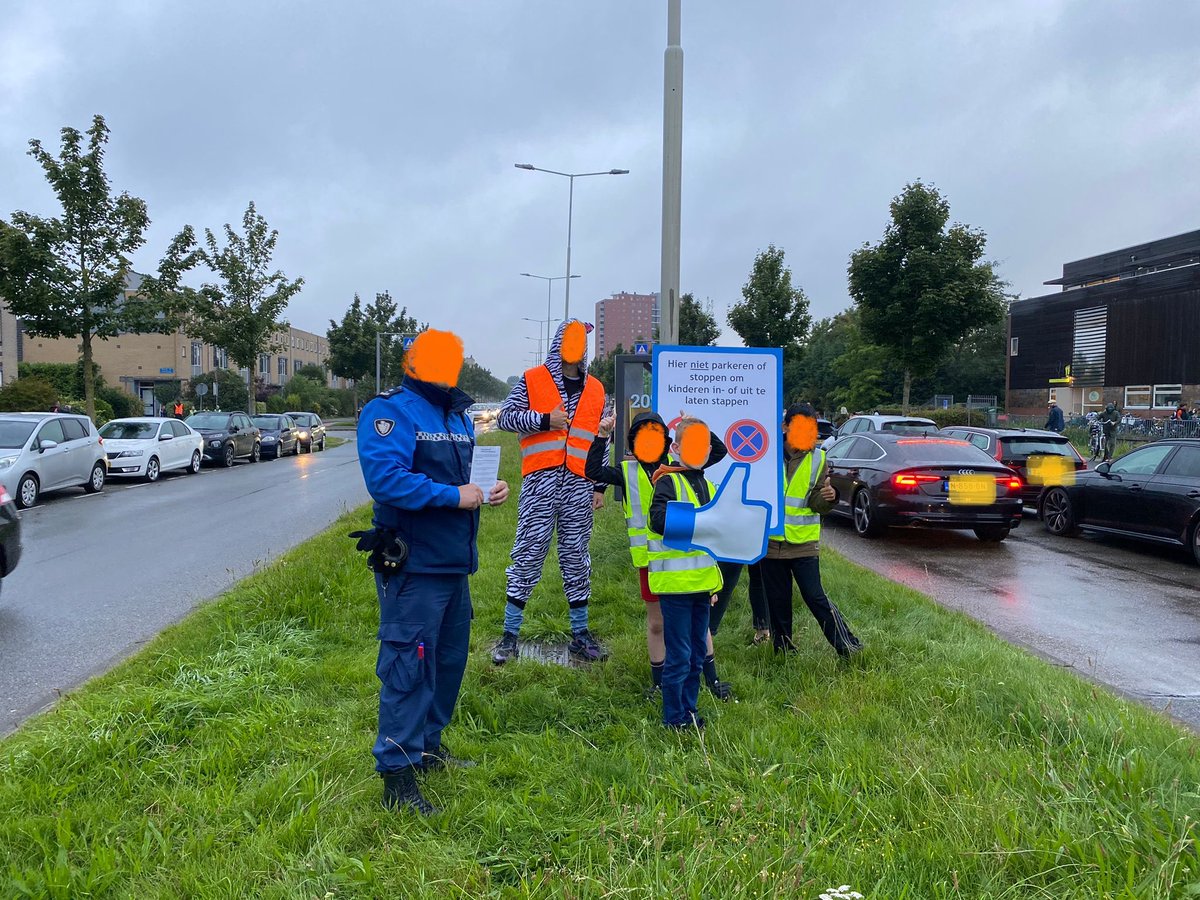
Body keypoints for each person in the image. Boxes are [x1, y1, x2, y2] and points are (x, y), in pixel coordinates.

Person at [355, 328, 510, 815]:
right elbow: (386, 480)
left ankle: (426, 746)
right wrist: (453, 496)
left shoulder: (458, 413)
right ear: (413, 363)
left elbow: (460, 481)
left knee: (447, 663)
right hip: (414, 564)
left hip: (453, 564)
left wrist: (485, 489)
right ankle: (397, 774)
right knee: (409, 668)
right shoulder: (390, 411)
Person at [585, 410, 732, 700]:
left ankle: (712, 680)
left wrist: (694, 426)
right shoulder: (626, 472)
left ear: (667, 442)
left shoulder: (678, 469)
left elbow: (719, 450)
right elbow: (593, 471)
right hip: (650, 563)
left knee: (697, 623)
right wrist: (602, 436)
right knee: (657, 624)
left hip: (689, 562)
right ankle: (658, 681)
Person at [492, 319, 607, 665]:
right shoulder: (533, 379)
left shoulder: (597, 390)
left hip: (579, 484)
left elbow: (602, 438)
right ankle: (510, 636)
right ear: (558, 343)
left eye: (579, 341)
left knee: (576, 557)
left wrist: (599, 485)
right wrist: (544, 420)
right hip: (540, 483)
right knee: (527, 555)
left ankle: (580, 635)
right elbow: (505, 418)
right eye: (568, 339)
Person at [759, 402, 862, 657]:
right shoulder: (765, 452)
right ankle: (783, 650)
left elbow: (816, 503)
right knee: (777, 599)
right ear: (785, 427)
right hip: (770, 541)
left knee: (815, 596)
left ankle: (847, 645)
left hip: (803, 542)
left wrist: (830, 496)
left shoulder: (819, 458)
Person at [647, 417, 724, 730]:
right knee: (679, 655)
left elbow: (716, 537)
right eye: (688, 444)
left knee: (694, 654)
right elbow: (658, 521)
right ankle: (674, 718)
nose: (699, 450)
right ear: (675, 448)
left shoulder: (707, 483)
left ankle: (689, 711)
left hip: (702, 585)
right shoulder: (667, 481)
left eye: (702, 445)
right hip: (676, 587)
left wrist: (697, 426)